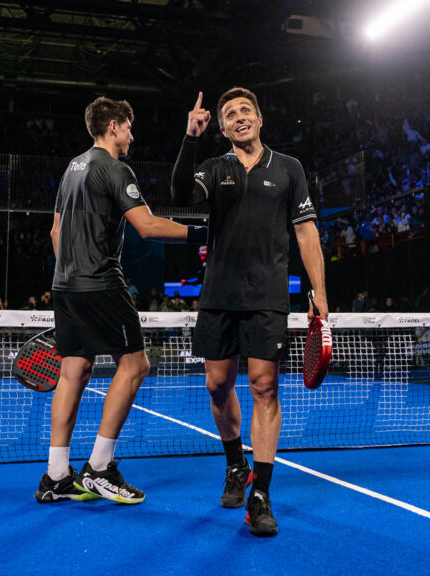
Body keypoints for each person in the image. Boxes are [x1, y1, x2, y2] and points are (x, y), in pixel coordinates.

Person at [35, 96, 208, 505]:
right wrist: (204, 235)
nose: (132, 135)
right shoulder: (114, 168)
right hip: (101, 283)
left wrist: (72, 275)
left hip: (66, 286)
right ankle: (98, 468)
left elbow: (55, 233)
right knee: (135, 364)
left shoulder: (72, 168)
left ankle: (56, 476)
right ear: (112, 126)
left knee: (73, 371)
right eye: (128, 127)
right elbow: (146, 227)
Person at [171, 89, 326, 537]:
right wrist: (189, 138)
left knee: (264, 386)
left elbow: (306, 232)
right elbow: (180, 193)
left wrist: (319, 291)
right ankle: (236, 463)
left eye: (245, 111)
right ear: (222, 128)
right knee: (218, 385)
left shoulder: (289, 168)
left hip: (267, 296)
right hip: (218, 295)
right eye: (229, 115)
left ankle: (261, 494)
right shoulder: (213, 168)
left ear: (259, 118)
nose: (239, 118)